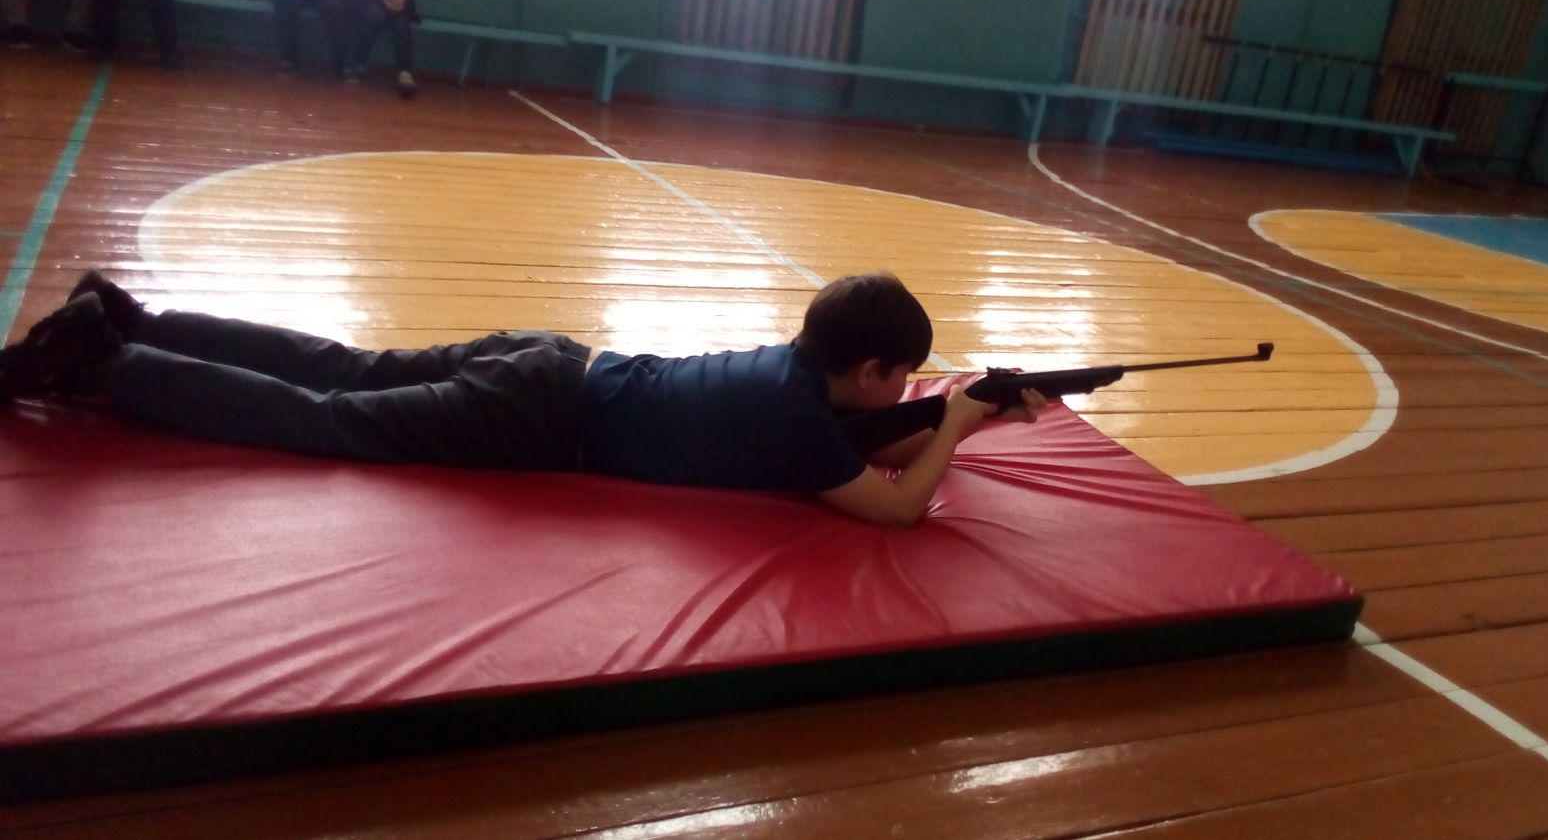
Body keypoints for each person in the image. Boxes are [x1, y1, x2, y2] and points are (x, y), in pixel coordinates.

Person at [0, 271, 1051, 527]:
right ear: (868, 373)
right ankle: (109, 364)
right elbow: (893, 509)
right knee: (332, 422)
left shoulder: (789, 376)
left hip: (552, 360)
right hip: (538, 417)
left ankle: (138, 320)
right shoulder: (795, 424)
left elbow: (861, 442)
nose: (906, 393)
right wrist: (956, 423)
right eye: (901, 378)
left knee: (345, 366)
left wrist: (949, 412)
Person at [347, 0, 416, 98]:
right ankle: (358, 63)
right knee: (374, 15)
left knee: (402, 22)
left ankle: (405, 73)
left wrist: (400, 0)